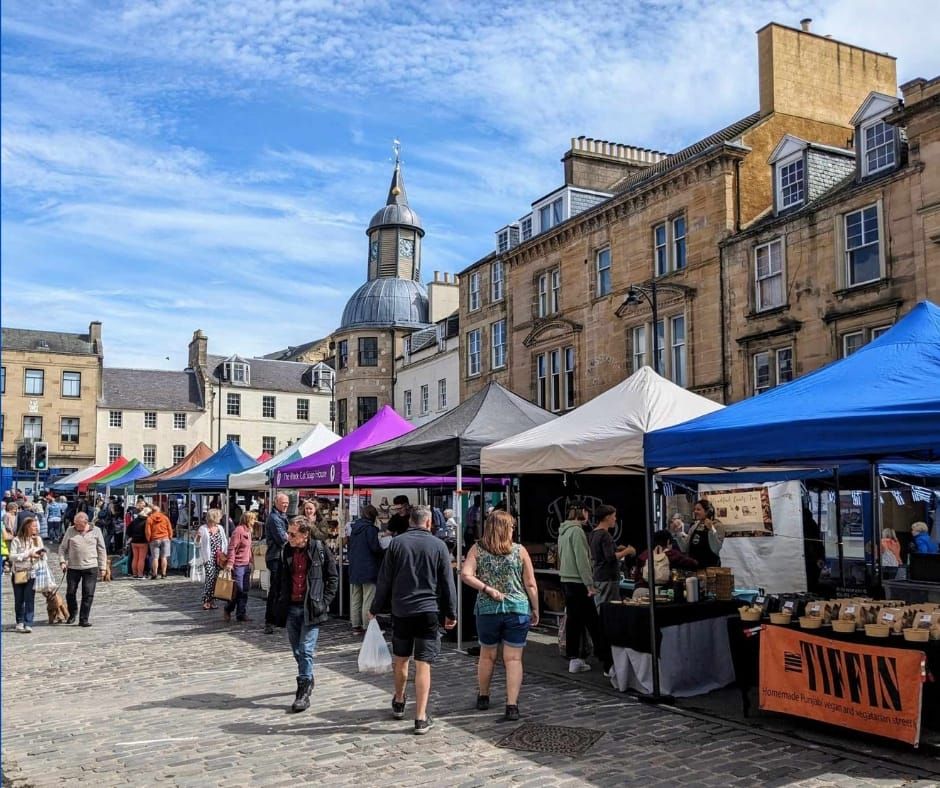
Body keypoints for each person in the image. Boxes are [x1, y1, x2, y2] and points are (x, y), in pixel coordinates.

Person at [370, 505, 457, 735]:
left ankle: (399, 700)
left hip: (402, 609)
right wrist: (451, 613)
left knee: (401, 659)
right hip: (428, 610)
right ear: (429, 523)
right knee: (423, 663)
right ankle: (420, 717)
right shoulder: (438, 546)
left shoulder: (397, 543)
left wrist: (375, 608)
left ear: (410, 521)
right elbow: (448, 584)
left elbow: (384, 579)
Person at [460, 510, 539, 721]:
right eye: (512, 526)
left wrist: (486, 588)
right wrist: (536, 608)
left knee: (487, 655)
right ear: (506, 528)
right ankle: (511, 704)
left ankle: (484, 695)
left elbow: (466, 575)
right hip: (517, 608)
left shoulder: (477, 549)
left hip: (487, 609)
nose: (514, 530)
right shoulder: (519, 551)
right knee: (513, 659)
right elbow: (530, 583)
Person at [272, 516, 339, 712]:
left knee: (306, 649)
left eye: (293, 534)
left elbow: (332, 577)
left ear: (305, 534)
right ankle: (308, 676)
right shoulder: (286, 550)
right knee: (298, 651)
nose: (289, 537)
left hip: (311, 607)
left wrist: (324, 602)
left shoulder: (319, 549)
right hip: (291, 606)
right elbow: (281, 578)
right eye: (289, 533)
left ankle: (302, 692)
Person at [557, 505, 613, 675]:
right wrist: (589, 584)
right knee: (593, 623)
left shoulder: (563, 531)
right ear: (582, 512)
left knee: (575, 622)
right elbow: (582, 559)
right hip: (578, 582)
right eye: (587, 512)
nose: (588, 516)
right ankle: (607, 664)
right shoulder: (577, 531)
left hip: (566, 580)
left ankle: (574, 658)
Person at [59, 512, 107, 626]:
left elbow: (101, 549)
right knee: (70, 592)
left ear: (85, 523)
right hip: (73, 567)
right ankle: (73, 612)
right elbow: (62, 547)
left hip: (91, 566)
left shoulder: (96, 531)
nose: (75, 526)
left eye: (78, 524)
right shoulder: (70, 530)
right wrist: (62, 561)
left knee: (88, 593)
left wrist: (103, 567)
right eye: (74, 523)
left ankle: (84, 619)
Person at [348, 504, 384, 636]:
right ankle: (367, 626)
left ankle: (355, 625)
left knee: (356, 597)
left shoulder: (354, 528)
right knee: (368, 597)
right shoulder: (371, 529)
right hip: (368, 567)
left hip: (355, 567)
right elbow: (374, 548)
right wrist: (383, 550)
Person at [588, 505, 635, 607]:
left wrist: (616, 548)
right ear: (607, 517)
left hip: (597, 576)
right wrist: (627, 551)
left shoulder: (593, 533)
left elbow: (599, 553)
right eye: (614, 516)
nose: (615, 519)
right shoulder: (605, 535)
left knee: (600, 606)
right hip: (608, 578)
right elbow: (610, 557)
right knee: (609, 608)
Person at [10, 515, 46, 633]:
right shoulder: (16, 540)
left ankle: (28, 622)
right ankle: (20, 621)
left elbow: (43, 556)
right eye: (33, 526)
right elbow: (12, 556)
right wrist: (27, 554)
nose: (36, 528)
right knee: (19, 599)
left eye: (36, 526)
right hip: (19, 573)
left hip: (32, 573)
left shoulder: (38, 540)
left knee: (29, 598)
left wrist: (40, 555)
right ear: (27, 527)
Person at [633, 530, 699, 589]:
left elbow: (636, 576)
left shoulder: (644, 555)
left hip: (640, 591)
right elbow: (693, 563)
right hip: (662, 593)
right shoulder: (671, 554)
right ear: (668, 541)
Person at [264, 493, 291, 634]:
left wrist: (289, 535)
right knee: (275, 590)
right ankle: (270, 620)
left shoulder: (282, 516)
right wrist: (289, 535)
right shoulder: (274, 518)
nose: (286, 505)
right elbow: (283, 538)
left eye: (287, 502)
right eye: (283, 502)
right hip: (275, 557)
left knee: (281, 589)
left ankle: (278, 619)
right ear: (276, 503)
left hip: (280, 557)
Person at [223, 513, 254, 623]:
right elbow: (232, 548)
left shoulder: (248, 531)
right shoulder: (239, 531)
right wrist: (230, 563)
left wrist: (251, 561)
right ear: (247, 519)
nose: (254, 521)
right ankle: (228, 609)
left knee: (245, 591)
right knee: (237, 591)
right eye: (253, 519)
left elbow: (249, 548)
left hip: (246, 565)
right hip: (238, 565)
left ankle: (241, 613)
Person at [196, 509, 229, 609]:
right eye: (219, 516)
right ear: (214, 517)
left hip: (220, 557)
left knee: (216, 579)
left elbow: (225, 541)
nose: (220, 518)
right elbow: (197, 544)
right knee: (210, 578)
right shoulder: (203, 528)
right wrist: (198, 538)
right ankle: (206, 600)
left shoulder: (220, 528)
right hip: (209, 557)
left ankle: (213, 600)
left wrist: (226, 554)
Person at [683, 499, 724, 568]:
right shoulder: (694, 526)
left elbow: (716, 548)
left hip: (710, 570)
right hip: (694, 568)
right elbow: (685, 548)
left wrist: (711, 529)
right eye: (695, 509)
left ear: (708, 512)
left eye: (698, 509)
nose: (695, 512)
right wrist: (678, 533)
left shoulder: (717, 526)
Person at [146, 503, 174, 579]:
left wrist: (148, 539)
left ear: (152, 511)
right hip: (165, 538)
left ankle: (154, 574)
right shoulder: (165, 518)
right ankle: (164, 573)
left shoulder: (150, 519)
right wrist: (170, 536)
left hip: (154, 539)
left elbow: (148, 531)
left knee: (155, 558)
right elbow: (169, 528)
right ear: (159, 510)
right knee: (164, 557)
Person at [126, 505, 151, 579]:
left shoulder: (135, 520)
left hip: (134, 541)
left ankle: (134, 574)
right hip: (143, 541)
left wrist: (132, 536)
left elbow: (128, 530)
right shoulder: (147, 521)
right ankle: (140, 575)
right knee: (141, 559)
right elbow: (148, 532)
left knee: (135, 558)